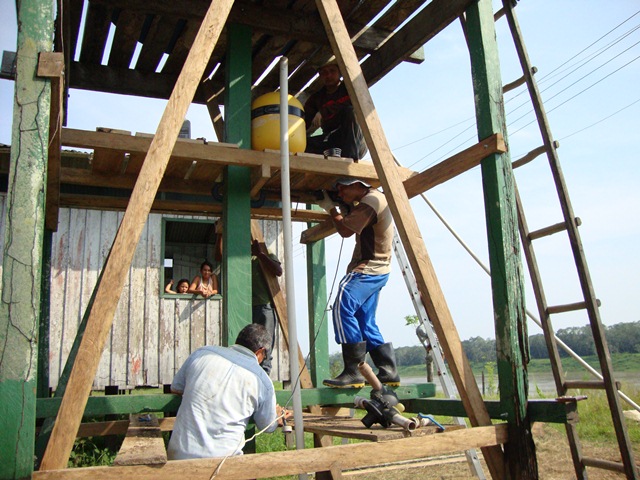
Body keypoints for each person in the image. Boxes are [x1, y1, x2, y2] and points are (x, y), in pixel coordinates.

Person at [316, 177, 400, 388]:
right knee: (364, 320)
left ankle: (353, 371)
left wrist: (332, 209)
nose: (339, 190)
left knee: (341, 308)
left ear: (357, 184)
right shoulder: (373, 199)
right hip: (380, 270)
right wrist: (342, 205)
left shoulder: (371, 201)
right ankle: (388, 369)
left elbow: (345, 230)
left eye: (342, 186)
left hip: (367, 269)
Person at [167, 323, 290, 460]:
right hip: (224, 463)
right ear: (260, 352)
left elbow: (176, 388)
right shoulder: (262, 380)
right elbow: (267, 426)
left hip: (179, 456)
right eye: (265, 356)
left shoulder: (202, 353)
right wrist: (278, 415)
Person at [304, 60, 367, 161]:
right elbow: (304, 121)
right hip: (333, 139)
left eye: (332, 71)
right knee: (304, 143)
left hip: (355, 139)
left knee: (349, 111)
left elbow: (354, 105)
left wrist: (323, 112)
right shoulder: (316, 98)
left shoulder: (349, 88)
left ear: (340, 72)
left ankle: (350, 163)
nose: (328, 75)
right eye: (324, 73)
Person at [251, 238, 283, 376]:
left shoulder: (266, 253)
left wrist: (260, 255)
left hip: (264, 306)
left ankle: (264, 377)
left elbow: (278, 270)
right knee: (250, 344)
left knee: (265, 344)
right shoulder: (241, 256)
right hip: (247, 306)